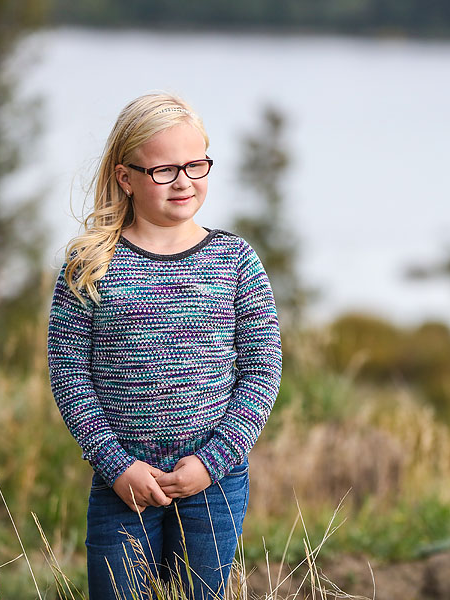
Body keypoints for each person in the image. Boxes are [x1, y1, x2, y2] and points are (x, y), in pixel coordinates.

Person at [46, 91, 283, 600]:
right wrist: (114, 464)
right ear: (124, 176)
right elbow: (69, 375)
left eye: (196, 165)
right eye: (164, 170)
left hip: (213, 482)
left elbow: (262, 374)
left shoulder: (236, 261)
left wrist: (213, 461)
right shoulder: (89, 264)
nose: (184, 182)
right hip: (124, 483)